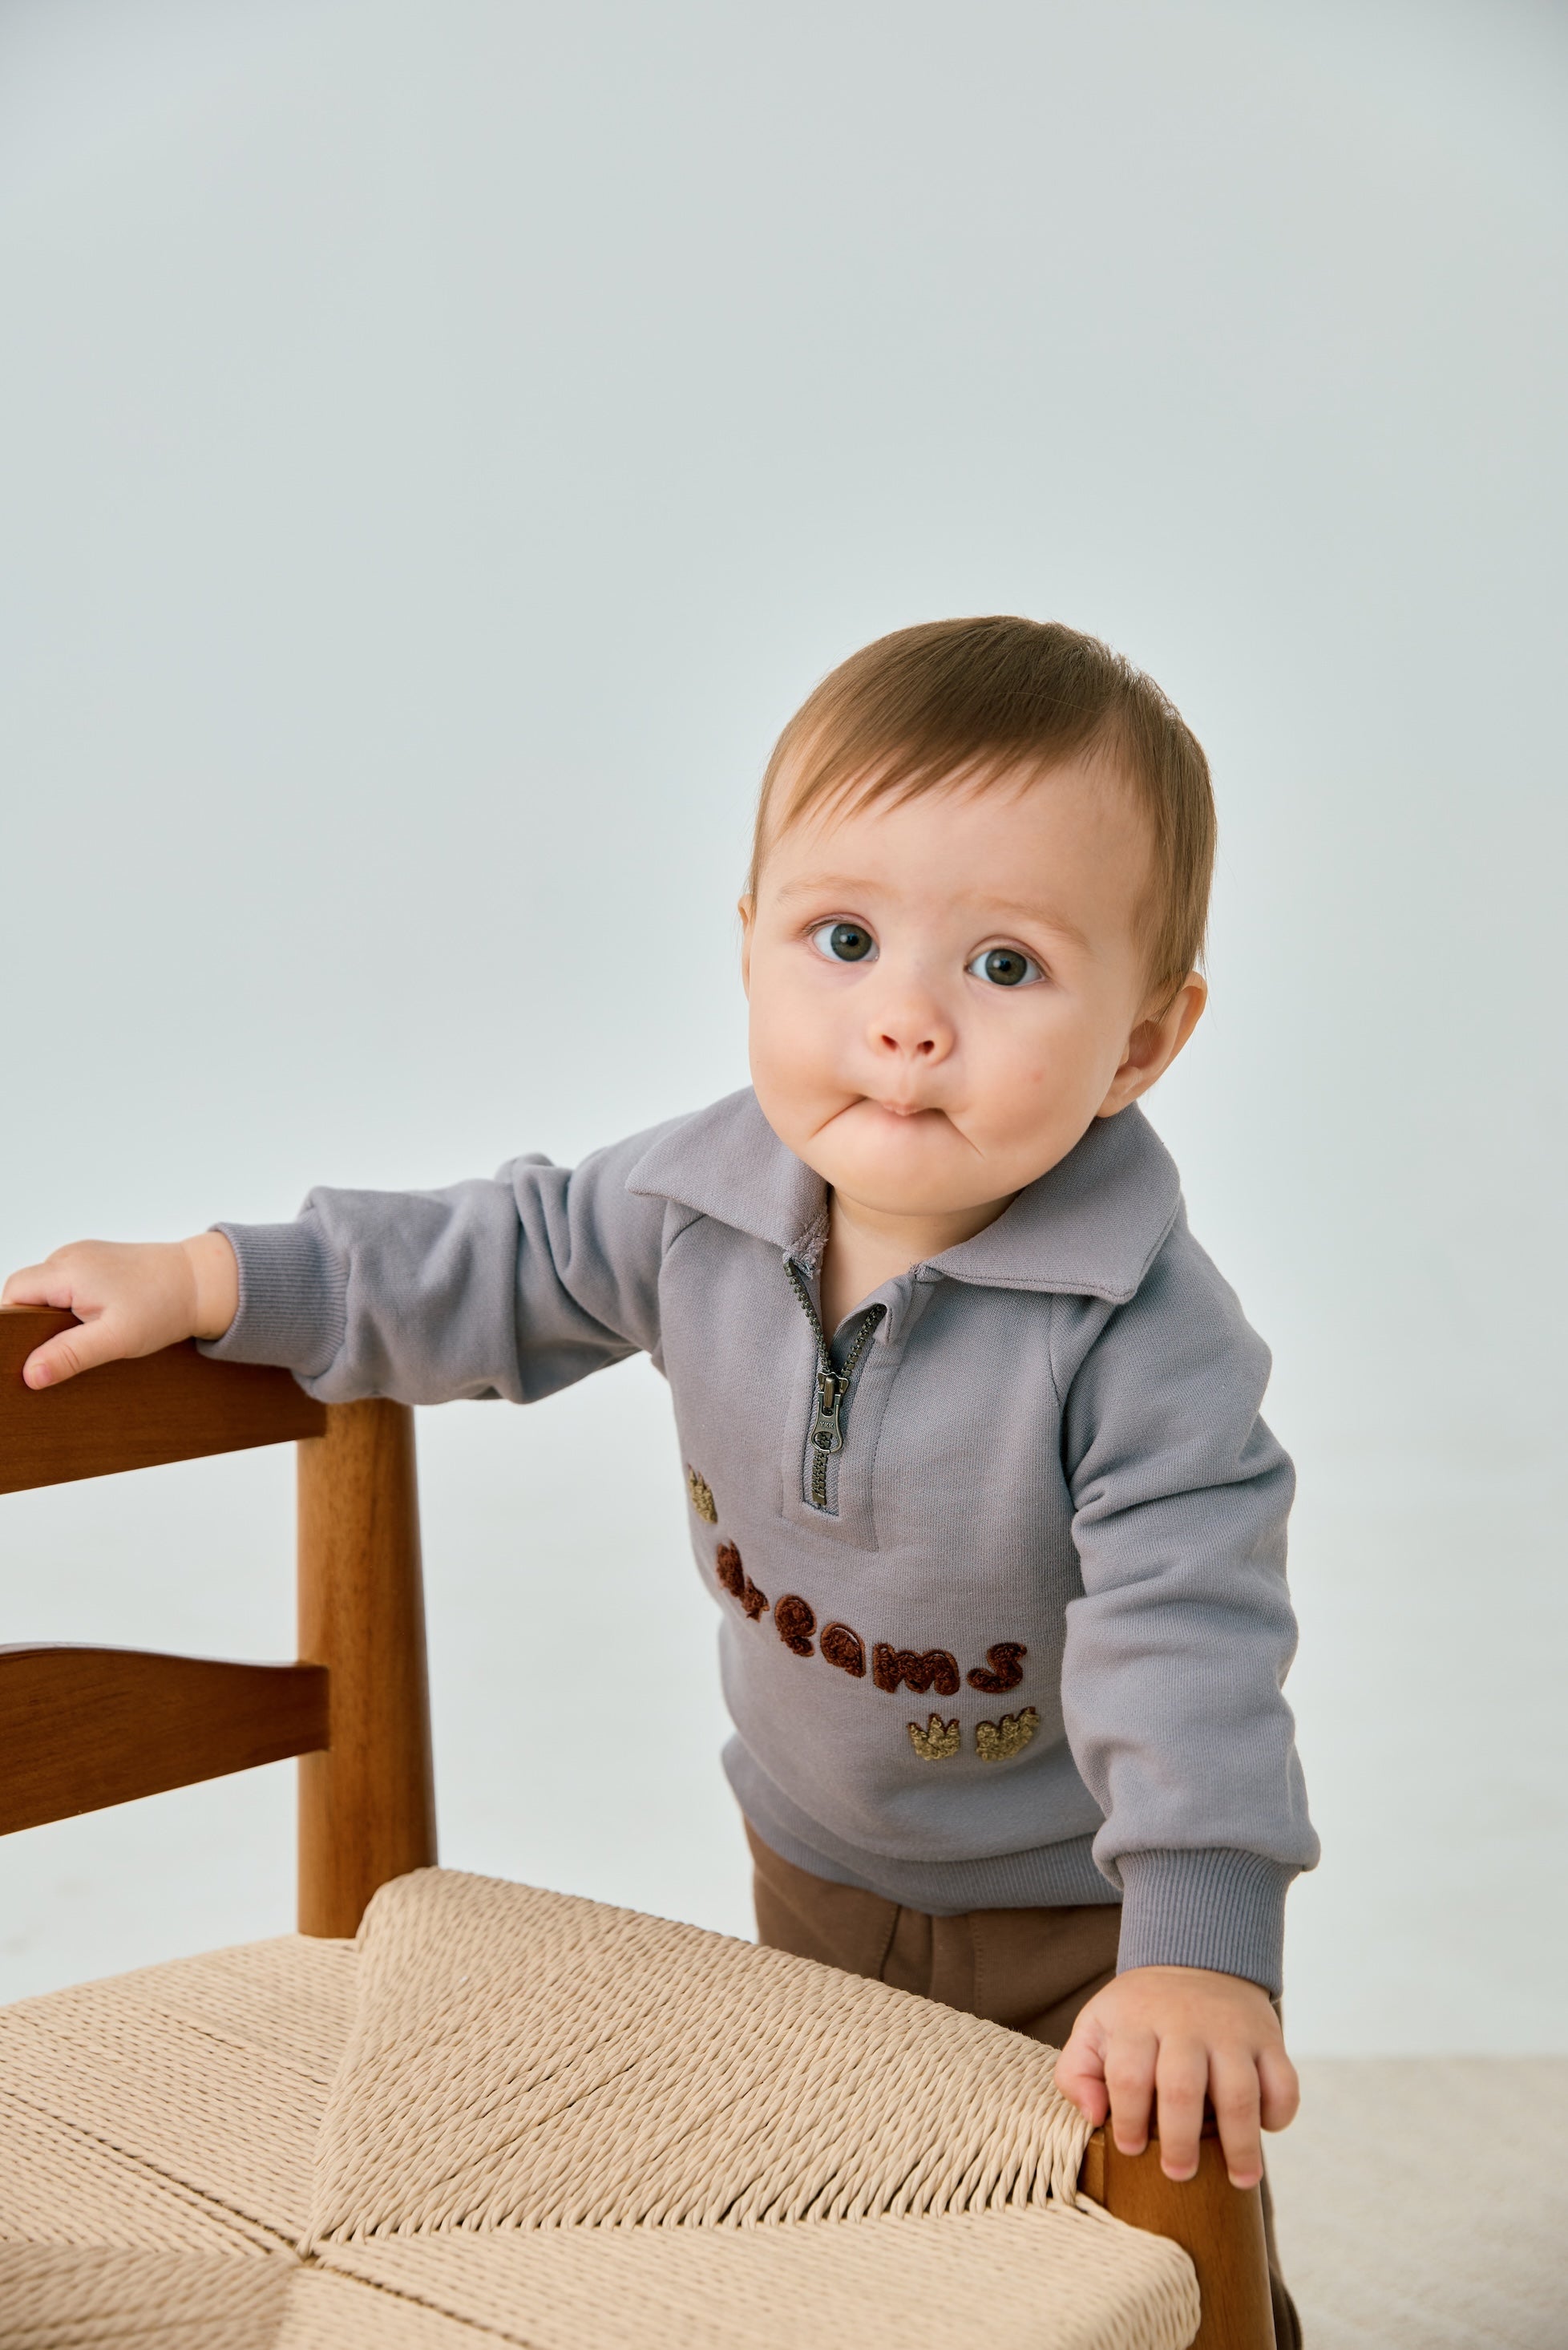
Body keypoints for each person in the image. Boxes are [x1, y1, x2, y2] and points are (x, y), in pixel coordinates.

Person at [6, 616, 1314, 2342]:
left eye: (1005, 967)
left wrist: (1198, 1940)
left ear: (1144, 1041)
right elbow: (492, 1256)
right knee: (832, 2219)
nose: (906, 1020)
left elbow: (1191, 1635)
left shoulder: (1143, 1338)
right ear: (752, 951)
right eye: (844, 939)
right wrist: (219, 1275)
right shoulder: (698, 1208)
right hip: (812, 1847)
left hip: (1079, 1897)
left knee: (1120, 2231)